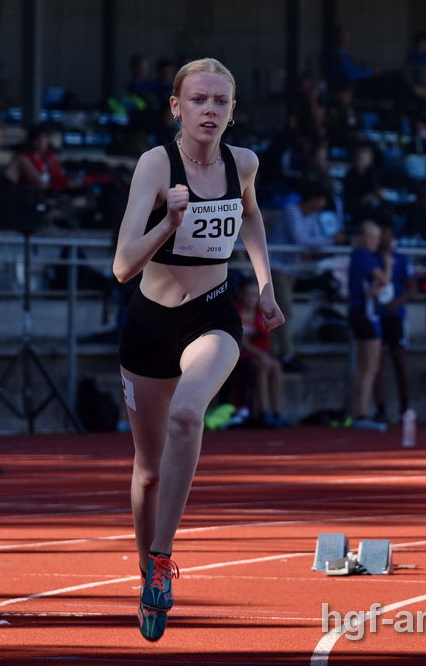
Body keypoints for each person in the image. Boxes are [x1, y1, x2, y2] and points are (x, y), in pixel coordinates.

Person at [112, 58, 284, 641]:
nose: (209, 110)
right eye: (199, 100)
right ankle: (146, 569)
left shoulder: (245, 164)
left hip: (211, 316)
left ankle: (161, 560)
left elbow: (253, 215)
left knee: (190, 413)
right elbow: (121, 266)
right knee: (147, 473)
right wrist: (168, 221)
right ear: (176, 107)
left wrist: (264, 285)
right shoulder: (155, 165)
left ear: (234, 111)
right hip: (148, 324)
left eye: (220, 101)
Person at [267, 181, 335, 372]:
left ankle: (277, 352)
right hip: (276, 268)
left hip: (292, 269)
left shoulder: (312, 216)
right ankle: (286, 354)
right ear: (313, 199)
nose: (323, 204)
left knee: (281, 312)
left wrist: (324, 243)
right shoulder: (291, 211)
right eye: (321, 200)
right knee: (284, 312)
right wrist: (330, 240)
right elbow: (302, 240)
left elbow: (314, 241)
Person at [228, 279, 287, 427]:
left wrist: (262, 355)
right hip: (238, 356)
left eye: (254, 295)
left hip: (256, 355)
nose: (251, 299)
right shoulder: (235, 311)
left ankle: (276, 412)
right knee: (264, 365)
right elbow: (241, 342)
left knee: (276, 366)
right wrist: (260, 355)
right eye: (248, 294)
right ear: (242, 295)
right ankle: (264, 411)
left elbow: (265, 339)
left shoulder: (260, 313)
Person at [373, 222, 416, 423]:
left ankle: (405, 407)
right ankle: (381, 408)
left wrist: (396, 303)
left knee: (399, 361)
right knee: (376, 363)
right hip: (375, 316)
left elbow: (411, 287)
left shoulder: (401, 259)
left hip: (395, 316)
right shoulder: (371, 258)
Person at [348, 221, 388, 431]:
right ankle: (361, 412)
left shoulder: (359, 256)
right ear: (362, 237)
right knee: (369, 367)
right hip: (366, 314)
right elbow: (385, 279)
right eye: (371, 237)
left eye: (377, 238)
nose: (375, 242)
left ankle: (359, 411)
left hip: (362, 313)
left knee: (365, 367)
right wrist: (388, 262)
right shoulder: (363, 256)